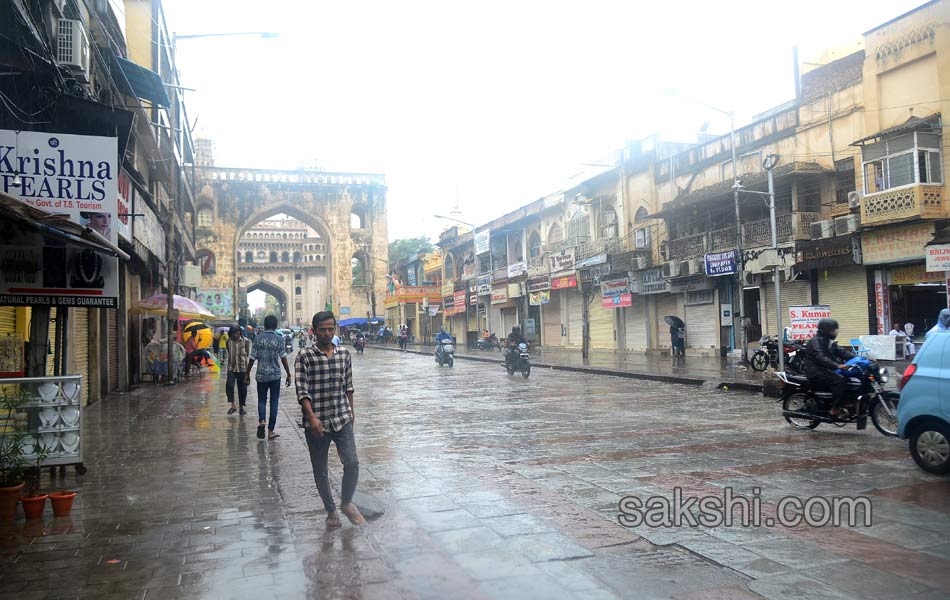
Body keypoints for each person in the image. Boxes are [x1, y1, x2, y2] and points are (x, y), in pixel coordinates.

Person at [295, 311, 365, 527]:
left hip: (341, 417)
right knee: (320, 468)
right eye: (322, 330)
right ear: (314, 331)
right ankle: (331, 509)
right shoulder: (305, 356)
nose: (327, 333)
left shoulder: (344, 354)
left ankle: (346, 503)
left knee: (352, 462)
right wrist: (312, 417)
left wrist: (351, 412)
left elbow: (349, 386)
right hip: (316, 423)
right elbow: (302, 390)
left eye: (330, 329)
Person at [246, 315, 292, 441]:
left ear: (265, 325)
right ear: (276, 325)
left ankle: (262, 420)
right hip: (275, 376)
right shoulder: (279, 339)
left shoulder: (258, 338)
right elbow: (283, 357)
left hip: (261, 375)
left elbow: (252, 358)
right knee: (274, 402)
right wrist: (288, 373)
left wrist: (247, 373)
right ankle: (271, 431)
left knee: (262, 400)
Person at [800, 318, 855, 416]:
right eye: (832, 331)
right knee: (840, 380)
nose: (834, 333)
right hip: (816, 371)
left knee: (851, 378)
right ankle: (835, 408)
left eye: (835, 330)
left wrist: (862, 358)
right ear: (825, 330)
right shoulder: (815, 342)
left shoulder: (829, 342)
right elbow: (821, 357)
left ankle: (847, 402)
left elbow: (843, 353)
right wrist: (837, 365)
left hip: (826, 369)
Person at [225, 326, 250, 416]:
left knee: (242, 388)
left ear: (239, 332)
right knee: (229, 385)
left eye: (236, 333)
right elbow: (228, 351)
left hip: (242, 368)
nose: (234, 335)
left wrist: (248, 372)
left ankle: (241, 407)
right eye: (232, 333)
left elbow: (247, 354)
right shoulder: (228, 341)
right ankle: (233, 405)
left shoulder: (246, 341)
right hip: (231, 368)